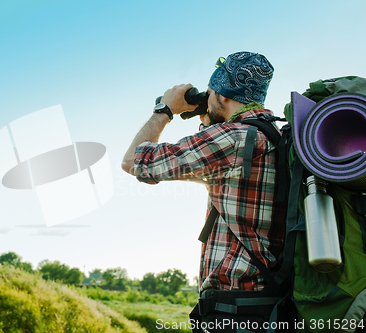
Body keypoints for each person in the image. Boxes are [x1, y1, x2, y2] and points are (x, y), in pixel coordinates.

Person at [121, 52, 286, 330]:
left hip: (233, 311)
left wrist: (164, 110)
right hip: (267, 306)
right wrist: (210, 117)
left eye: (211, 93)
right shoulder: (274, 137)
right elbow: (215, 175)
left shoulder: (231, 139)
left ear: (222, 96)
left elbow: (134, 161)